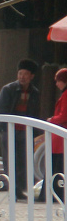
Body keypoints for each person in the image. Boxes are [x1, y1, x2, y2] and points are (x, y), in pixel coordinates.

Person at [0, 58, 41, 199]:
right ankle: (12, 190)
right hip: (10, 130)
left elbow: (35, 113)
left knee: (23, 161)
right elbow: (1, 111)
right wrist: (4, 130)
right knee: (10, 161)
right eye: (20, 73)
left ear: (31, 76)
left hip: (25, 131)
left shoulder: (34, 92)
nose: (22, 77)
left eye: (25, 74)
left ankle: (20, 190)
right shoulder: (8, 90)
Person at [37, 68, 67, 202]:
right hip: (59, 137)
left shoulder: (65, 95)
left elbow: (63, 115)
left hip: (60, 137)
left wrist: (51, 120)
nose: (56, 84)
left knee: (56, 166)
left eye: (58, 81)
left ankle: (52, 194)